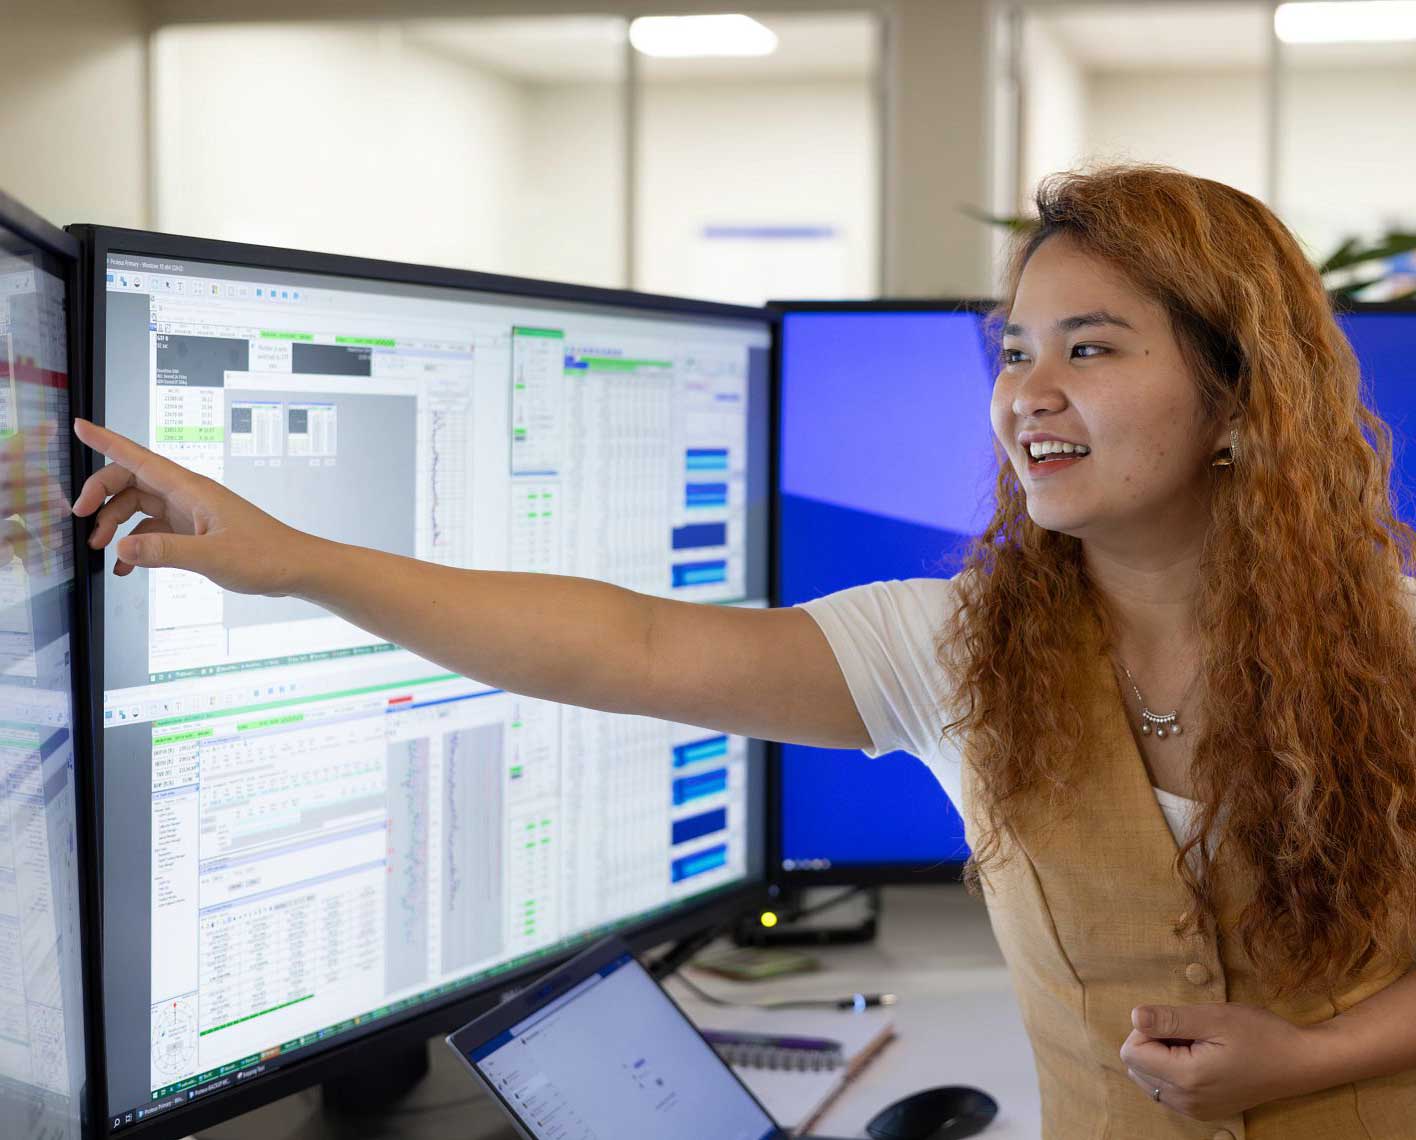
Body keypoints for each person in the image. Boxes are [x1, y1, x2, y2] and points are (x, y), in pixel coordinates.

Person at [72, 165, 1416, 1138]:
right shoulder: (958, 653)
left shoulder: (1398, 643)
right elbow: (632, 645)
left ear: (1239, 392)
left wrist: (1314, 1057)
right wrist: (297, 559)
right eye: (1015, 350)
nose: (1028, 391)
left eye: (1092, 347)